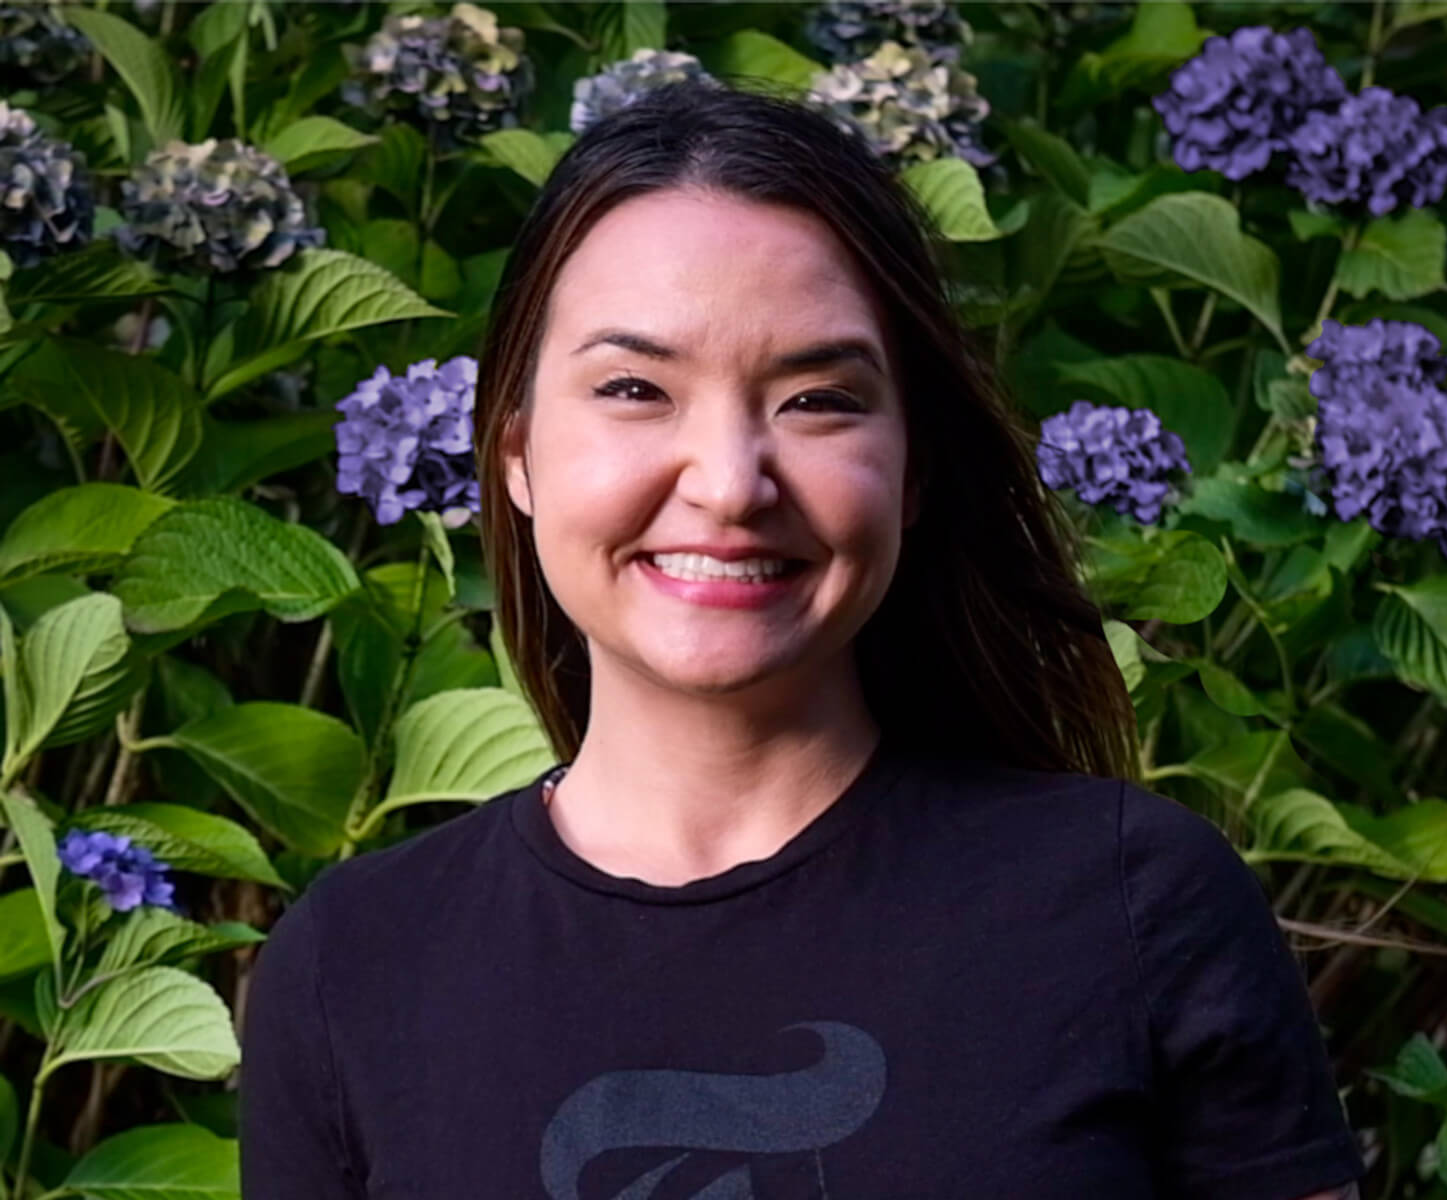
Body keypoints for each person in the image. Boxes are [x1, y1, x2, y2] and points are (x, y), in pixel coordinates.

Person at [239, 81, 1365, 1199]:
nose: (730, 484)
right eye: (635, 388)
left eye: (818, 399)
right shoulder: (355, 966)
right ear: (517, 452)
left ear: (914, 464)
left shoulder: (1132, 904)